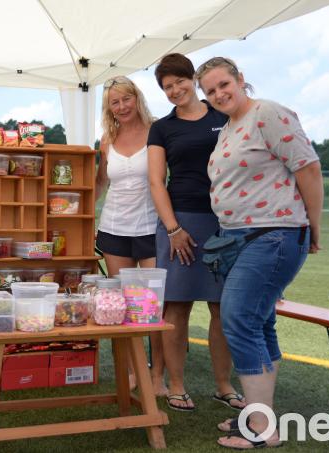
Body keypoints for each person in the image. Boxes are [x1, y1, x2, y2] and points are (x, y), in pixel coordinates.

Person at [195, 56, 323, 449]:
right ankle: (256, 415)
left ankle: (262, 429)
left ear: (240, 80)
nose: (218, 94)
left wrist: (313, 227)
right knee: (260, 323)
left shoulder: (268, 113)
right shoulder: (230, 127)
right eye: (210, 91)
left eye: (223, 85)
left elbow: (308, 169)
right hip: (240, 238)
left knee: (238, 320)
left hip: (273, 234)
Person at [147, 53, 244, 412]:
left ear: (193, 79)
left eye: (179, 82)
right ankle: (176, 386)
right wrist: (174, 229)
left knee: (223, 309)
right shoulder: (162, 128)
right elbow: (157, 182)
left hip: (227, 223)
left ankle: (223, 385)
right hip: (181, 223)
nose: (175, 90)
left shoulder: (225, 115)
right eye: (167, 87)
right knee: (177, 308)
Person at [94, 75, 165, 395]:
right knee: (120, 307)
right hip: (113, 229)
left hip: (151, 228)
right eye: (114, 102)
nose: (122, 107)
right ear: (109, 108)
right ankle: (131, 372)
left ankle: (157, 375)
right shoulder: (106, 140)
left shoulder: (158, 132)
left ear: (137, 98)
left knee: (151, 309)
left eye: (126, 99)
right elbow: (98, 184)